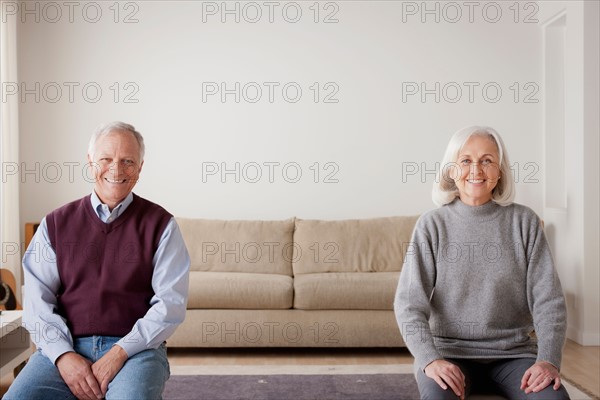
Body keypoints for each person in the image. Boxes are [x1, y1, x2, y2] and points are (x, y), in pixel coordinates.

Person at [5, 122, 190, 400]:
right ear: (90, 162)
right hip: (66, 346)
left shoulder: (162, 225)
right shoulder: (55, 224)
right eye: (106, 159)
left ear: (140, 168)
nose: (116, 169)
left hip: (136, 351)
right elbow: (36, 302)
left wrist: (119, 353)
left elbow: (169, 306)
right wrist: (64, 356)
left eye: (128, 161)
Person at [394, 126, 570, 399]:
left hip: (513, 356)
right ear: (452, 170)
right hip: (449, 355)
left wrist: (548, 360)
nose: (476, 169)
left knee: (554, 398)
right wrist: (430, 359)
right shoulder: (431, 225)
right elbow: (408, 304)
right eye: (466, 161)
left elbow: (549, 300)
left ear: (499, 171)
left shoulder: (525, 223)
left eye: (487, 160)